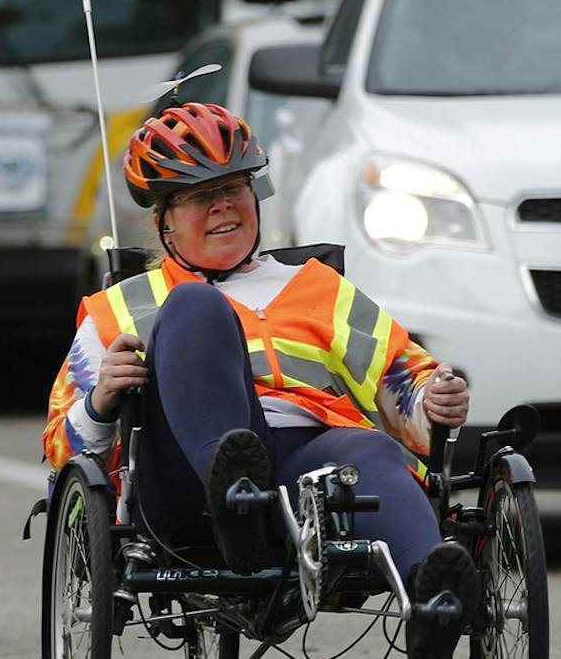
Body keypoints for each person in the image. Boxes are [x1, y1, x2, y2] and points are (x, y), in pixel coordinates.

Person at [41, 102, 480, 659]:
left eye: (236, 189)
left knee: (368, 449)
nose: (224, 206)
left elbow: (402, 382)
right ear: (164, 219)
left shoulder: (317, 288)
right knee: (194, 304)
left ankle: (434, 600)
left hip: (304, 470)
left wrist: (434, 397)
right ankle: (233, 497)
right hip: (183, 484)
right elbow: (62, 448)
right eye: (202, 196)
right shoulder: (120, 308)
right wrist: (102, 401)